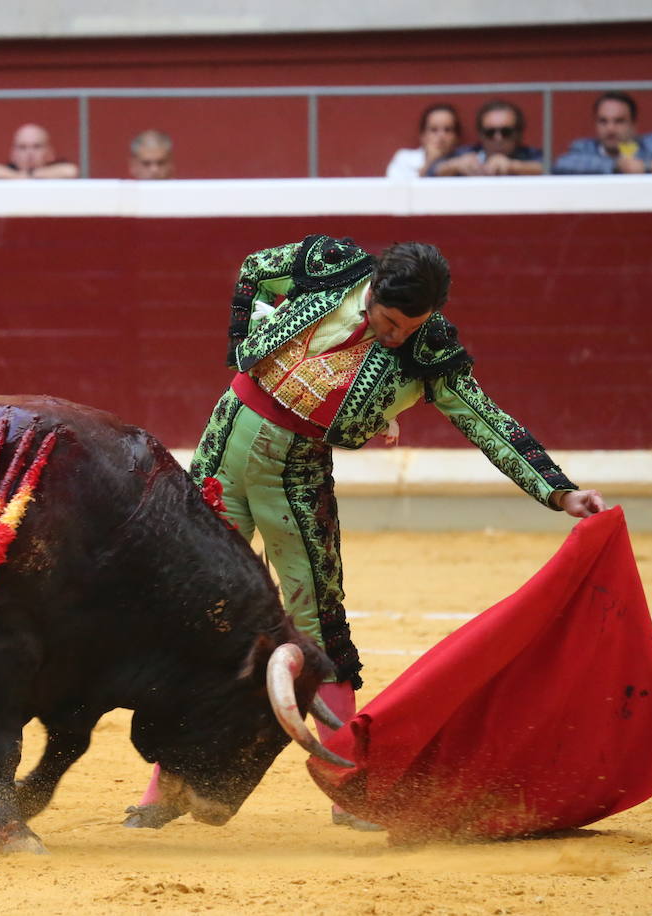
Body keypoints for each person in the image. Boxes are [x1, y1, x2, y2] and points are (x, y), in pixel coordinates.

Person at [127, 235, 604, 830]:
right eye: (389, 321)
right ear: (373, 291)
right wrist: (242, 349)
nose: (397, 335)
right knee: (192, 617)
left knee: (319, 629)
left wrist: (558, 490)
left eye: (411, 324)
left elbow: (486, 420)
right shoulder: (331, 265)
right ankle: (164, 789)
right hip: (224, 443)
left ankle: (350, 787)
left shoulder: (426, 349)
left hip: (295, 479)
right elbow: (253, 270)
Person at [554, 91, 652, 175]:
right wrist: (616, 166)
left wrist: (648, 168)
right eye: (603, 121)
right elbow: (561, 164)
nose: (610, 129)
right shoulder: (584, 148)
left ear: (633, 125)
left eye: (619, 121)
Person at [429, 99, 543, 176]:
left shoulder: (529, 154)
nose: (498, 138)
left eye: (506, 132)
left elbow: (552, 169)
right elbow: (431, 171)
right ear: (481, 135)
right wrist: (455, 165)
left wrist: (513, 166)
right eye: (490, 132)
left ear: (518, 133)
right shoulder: (467, 153)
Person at [385, 103, 460, 179]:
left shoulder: (463, 161)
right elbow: (397, 187)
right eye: (434, 130)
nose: (441, 136)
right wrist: (429, 161)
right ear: (423, 136)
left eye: (448, 130)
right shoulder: (404, 159)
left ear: (456, 137)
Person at [0, 123, 79, 179]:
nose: (29, 153)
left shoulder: (59, 169)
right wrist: (19, 176)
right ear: (13, 154)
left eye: (37, 147)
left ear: (50, 153)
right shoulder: (7, 172)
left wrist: (31, 175)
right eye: (23, 147)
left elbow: (70, 171)